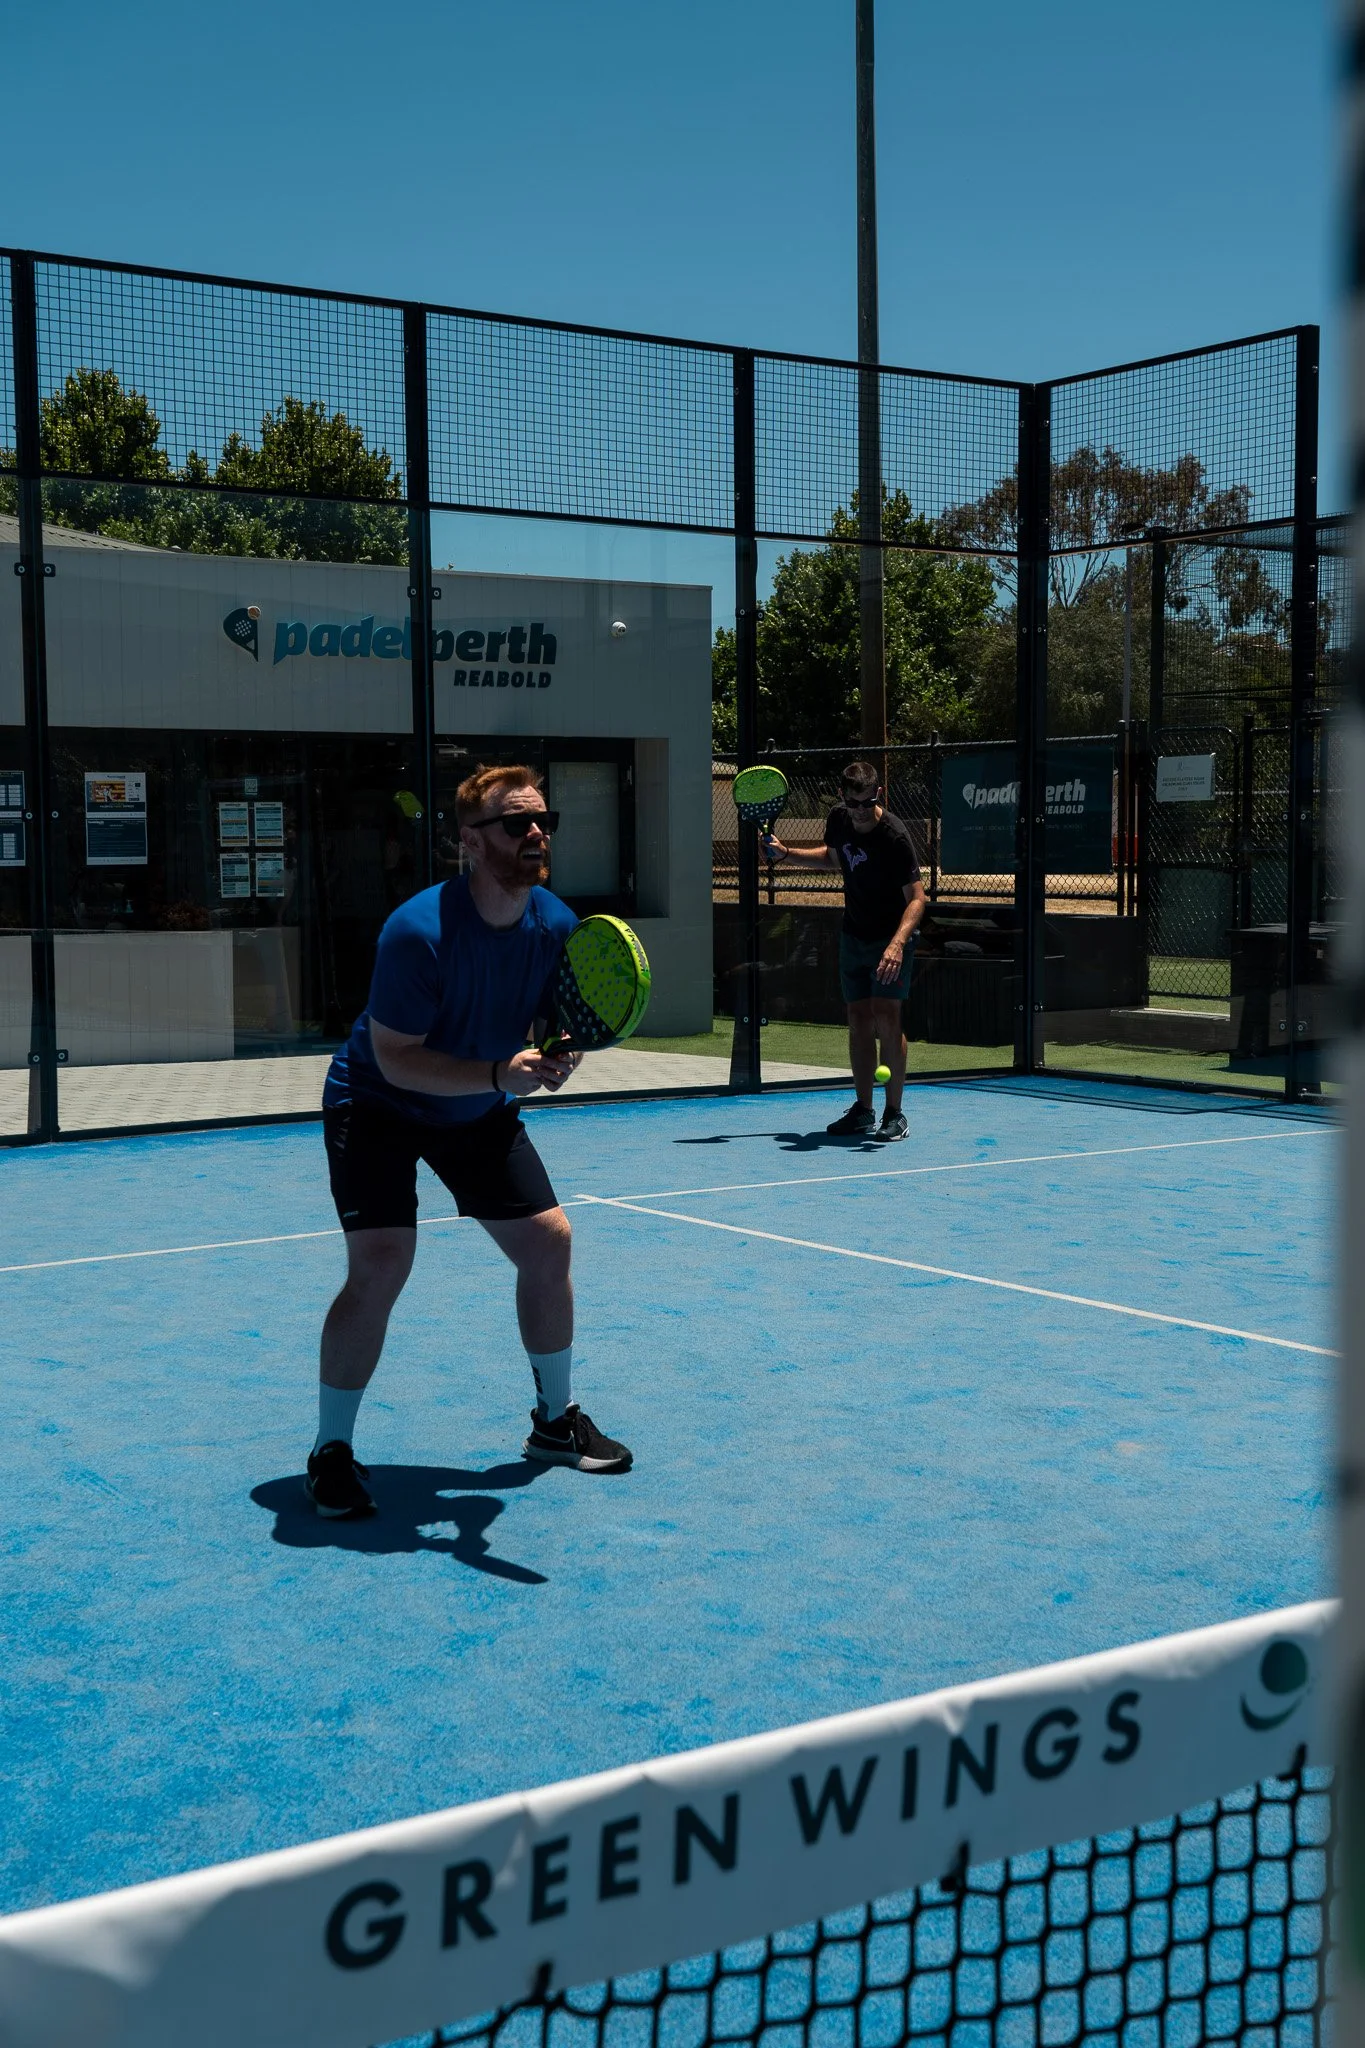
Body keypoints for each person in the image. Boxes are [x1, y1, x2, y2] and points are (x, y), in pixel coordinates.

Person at [308, 764, 632, 1519]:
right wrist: (496, 1072)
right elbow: (395, 1056)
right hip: (377, 1103)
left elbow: (560, 1018)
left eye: (542, 820)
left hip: (476, 1106)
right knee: (382, 1264)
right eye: (515, 822)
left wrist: (556, 1054)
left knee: (549, 1244)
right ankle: (331, 1450)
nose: (534, 833)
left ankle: (554, 1423)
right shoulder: (418, 932)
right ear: (468, 841)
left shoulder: (555, 923)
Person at [763, 758, 925, 1142]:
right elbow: (835, 857)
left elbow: (917, 899)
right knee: (857, 1019)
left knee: (887, 1015)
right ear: (842, 797)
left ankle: (895, 1113)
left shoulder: (895, 837)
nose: (861, 812)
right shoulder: (839, 819)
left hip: (891, 940)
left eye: (868, 803)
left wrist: (898, 944)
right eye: (854, 804)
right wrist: (787, 853)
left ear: (878, 794)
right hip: (854, 935)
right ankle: (863, 1111)